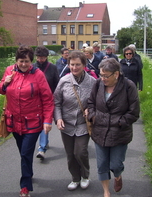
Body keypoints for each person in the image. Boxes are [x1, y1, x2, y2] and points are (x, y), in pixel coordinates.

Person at [0, 45, 54, 197]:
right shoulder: (10, 71)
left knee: (26, 152)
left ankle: (25, 186)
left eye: (27, 61)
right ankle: (28, 172)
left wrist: (48, 120)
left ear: (31, 61)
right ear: (16, 61)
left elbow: (48, 98)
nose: (23, 64)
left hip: (33, 122)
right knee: (24, 153)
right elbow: (0, 90)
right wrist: (5, 83)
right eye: (21, 61)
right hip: (14, 121)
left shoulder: (38, 75)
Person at [86, 58, 140, 197]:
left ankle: (117, 175)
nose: (102, 78)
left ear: (116, 74)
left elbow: (134, 113)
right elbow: (90, 102)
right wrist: (93, 116)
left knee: (115, 165)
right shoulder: (98, 84)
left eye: (106, 75)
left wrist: (120, 122)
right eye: (101, 75)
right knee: (102, 164)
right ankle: (106, 192)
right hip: (100, 131)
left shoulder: (129, 86)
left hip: (119, 132)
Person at [54, 51, 96, 191]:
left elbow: (97, 102)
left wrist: (90, 109)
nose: (74, 67)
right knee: (70, 154)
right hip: (67, 124)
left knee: (80, 152)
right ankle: (75, 178)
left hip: (83, 123)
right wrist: (58, 118)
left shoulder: (92, 82)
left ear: (84, 65)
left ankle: (85, 175)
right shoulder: (64, 81)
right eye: (72, 64)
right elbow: (57, 102)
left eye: (78, 64)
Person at [33, 46, 59, 160]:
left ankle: (41, 149)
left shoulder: (52, 68)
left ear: (47, 57)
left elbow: (57, 85)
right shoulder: (32, 67)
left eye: (43, 57)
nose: (40, 60)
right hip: (34, 101)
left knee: (45, 121)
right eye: (38, 57)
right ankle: (45, 141)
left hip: (48, 101)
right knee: (38, 123)